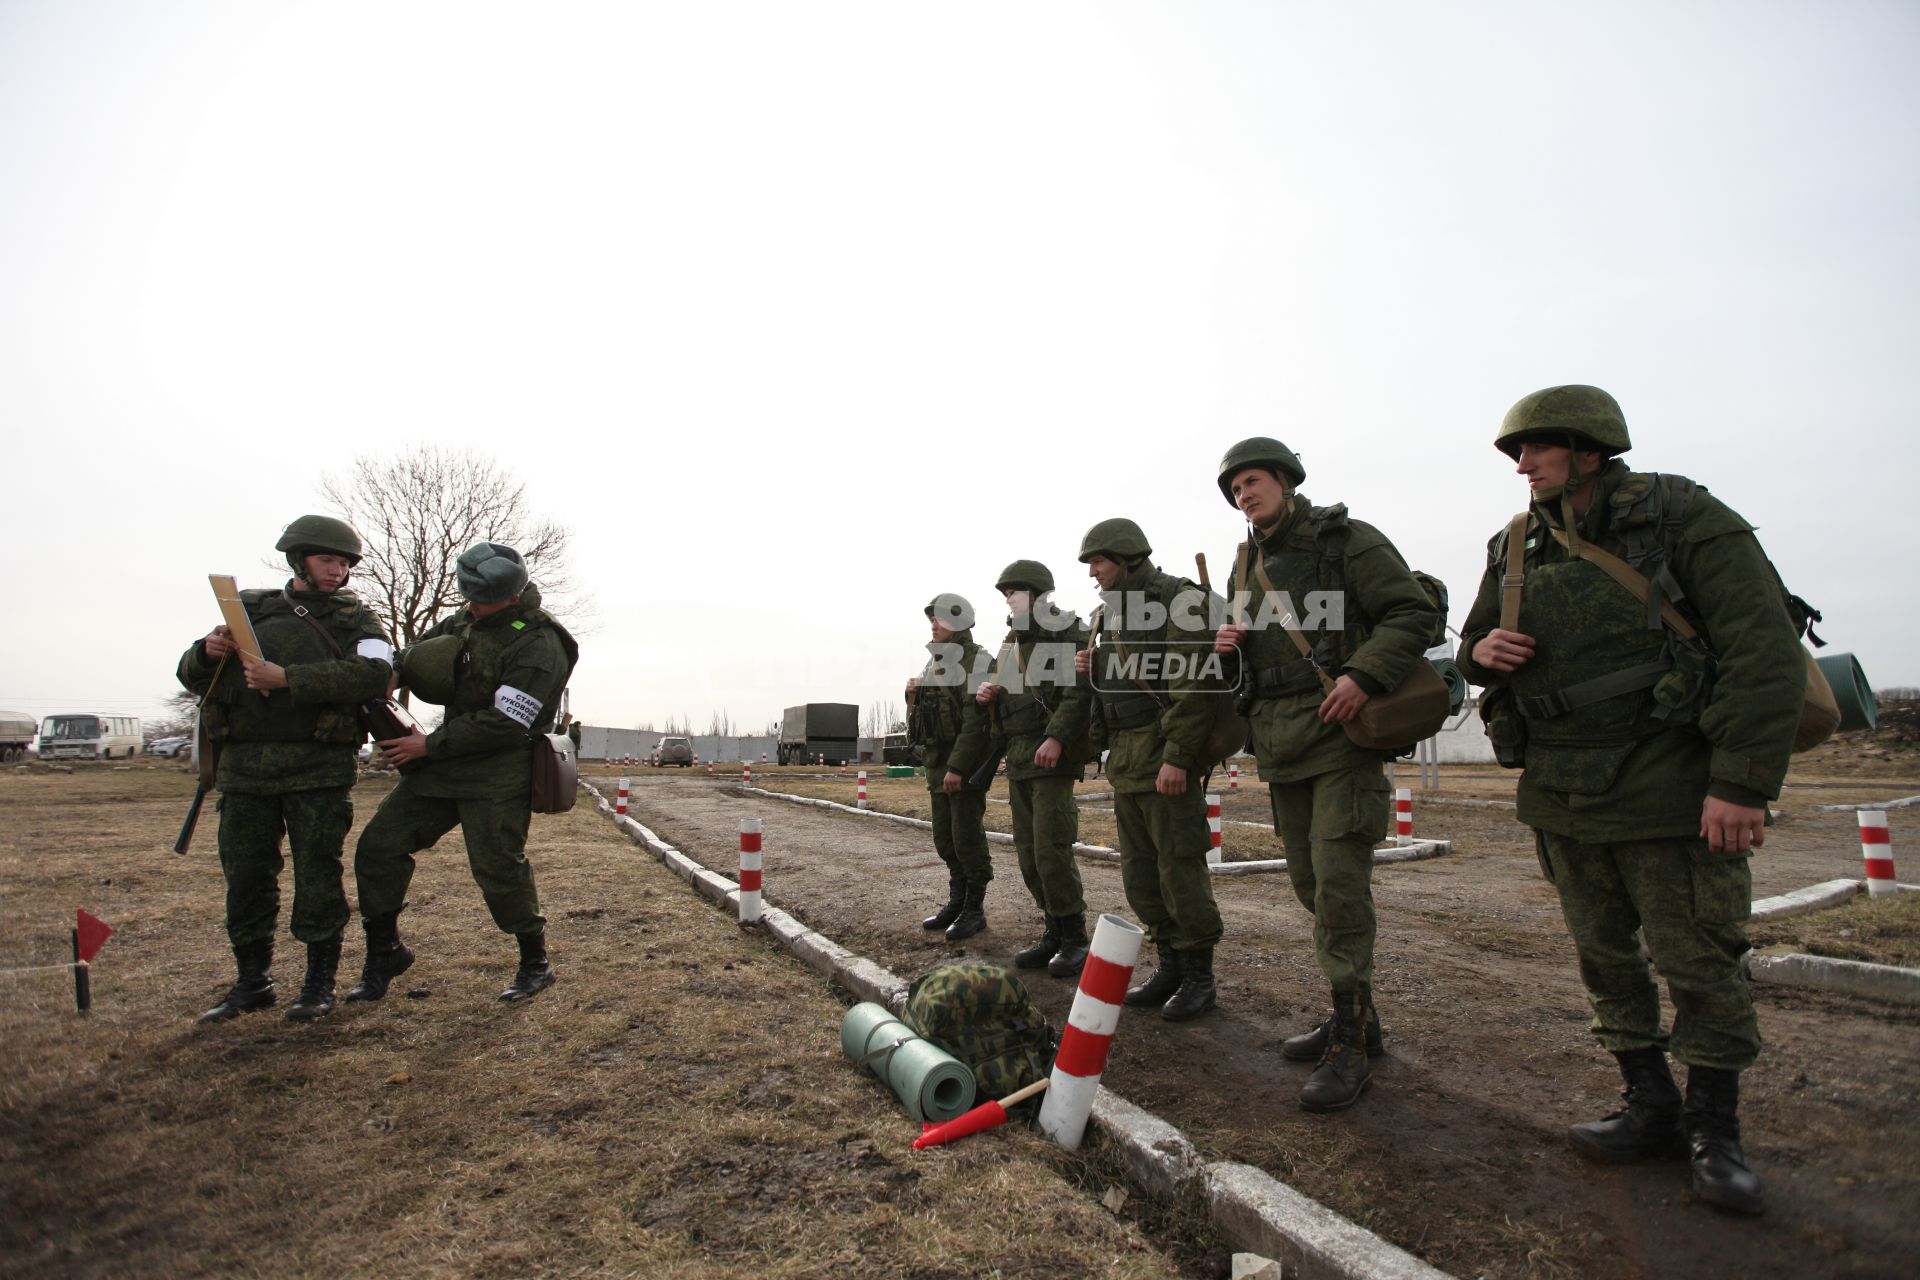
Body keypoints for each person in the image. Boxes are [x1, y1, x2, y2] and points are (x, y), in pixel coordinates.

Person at [1459, 384, 1804, 1216]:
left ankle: (1714, 1128)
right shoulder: (1513, 546)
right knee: (1605, 958)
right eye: (1515, 452)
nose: (1522, 463)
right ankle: (1650, 1102)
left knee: (1698, 961)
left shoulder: (1684, 517)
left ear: (1590, 447)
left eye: (1537, 447)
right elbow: (1471, 647)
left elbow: (1764, 651)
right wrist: (1482, 650)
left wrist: (1741, 784)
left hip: (1673, 787)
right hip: (1566, 794)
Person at [1211, 438, 1443, 1111]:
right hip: (1281, 743)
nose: (1243, 496)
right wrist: (1231, 644)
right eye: (1234, 491)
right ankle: (1359, 1019)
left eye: (1252, 482)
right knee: (1312, 884)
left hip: (1341, 734)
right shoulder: (1245, 564)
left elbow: (1412, 613)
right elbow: (1251, 658)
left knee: (1339, 887)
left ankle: (1349, 1041)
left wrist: (1364, 676)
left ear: (1285, 481)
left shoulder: (1346, 541)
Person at [177, 514, 395, 1024]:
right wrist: (207, 653)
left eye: (343, 562)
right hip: (244, 771)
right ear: (298, 560)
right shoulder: (248, 610)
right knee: (247, 877)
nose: (337, 570)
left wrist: (287, 678)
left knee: (318, 878)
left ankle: (317, 985)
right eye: (327, 560)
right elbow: (189, 675)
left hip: (318, 769)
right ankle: (252, 982)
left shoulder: (358, 619)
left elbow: (375, 672)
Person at [346, 542, 579, 1005]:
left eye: (482, 598)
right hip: (442, 766)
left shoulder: (540, 642)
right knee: (379, 847)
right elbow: (424, 651)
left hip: (498, 771)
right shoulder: (466, 618)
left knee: (497, 867)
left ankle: (535, 962)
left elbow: (508, 721)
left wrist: (427, 744)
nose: (471, 606)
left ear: (513, 596)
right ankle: (385, 952)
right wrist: (396, 669)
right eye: (467, 595)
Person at [1075, 518, 1221, 1021]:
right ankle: (1171, 965)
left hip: (1163, 753)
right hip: (1127, 759)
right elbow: (1105, 692)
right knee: (1140, 875)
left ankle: (1200, 975)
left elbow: (1195, 682)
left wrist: (1179, 756)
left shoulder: (1176, 599)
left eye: (1099, 561)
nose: (1093, 573)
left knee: (1179, 868)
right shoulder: (1106, 615)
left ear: (1128, 557)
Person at [958, 561, 1094, 977]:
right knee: (1028, 853)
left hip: (1051, 757)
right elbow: (1003, 698)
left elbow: (1078, 692)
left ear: (1036, 595)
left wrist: (1057, 737)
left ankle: (1075, 938)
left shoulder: (1068, 633)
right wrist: (986, 695)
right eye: (1004, 596)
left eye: (1013, 594)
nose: (1007, 601)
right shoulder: (1009, 644)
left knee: (1051, 850)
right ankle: (1053, 929)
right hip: (1018, 757)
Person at [907, 593, 996, 941]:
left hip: (965, 767)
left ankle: (974, 909)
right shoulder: (934, 663)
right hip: (937, 764)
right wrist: (912, 693)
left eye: (941, 618)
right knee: (945, 839)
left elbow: (976, 723)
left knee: (966, 838)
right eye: (932, 618)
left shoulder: (977, 661)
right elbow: (925, 718)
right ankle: (957, 902)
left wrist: (957, 768)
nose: (934, 624)